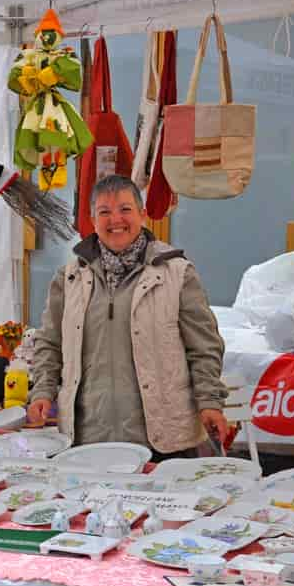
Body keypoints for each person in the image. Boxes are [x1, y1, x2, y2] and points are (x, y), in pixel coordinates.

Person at [26, 175, 229, 461]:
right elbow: (49, 343)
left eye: (125, 209)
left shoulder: (177, 273)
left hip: (162, 441)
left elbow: (204, 347)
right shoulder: (70, 277)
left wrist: (210, 401)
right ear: (92, 220)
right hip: (88, 439)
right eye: (104, 212)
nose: (115, 220)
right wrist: (42, 392)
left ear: (142, 215)